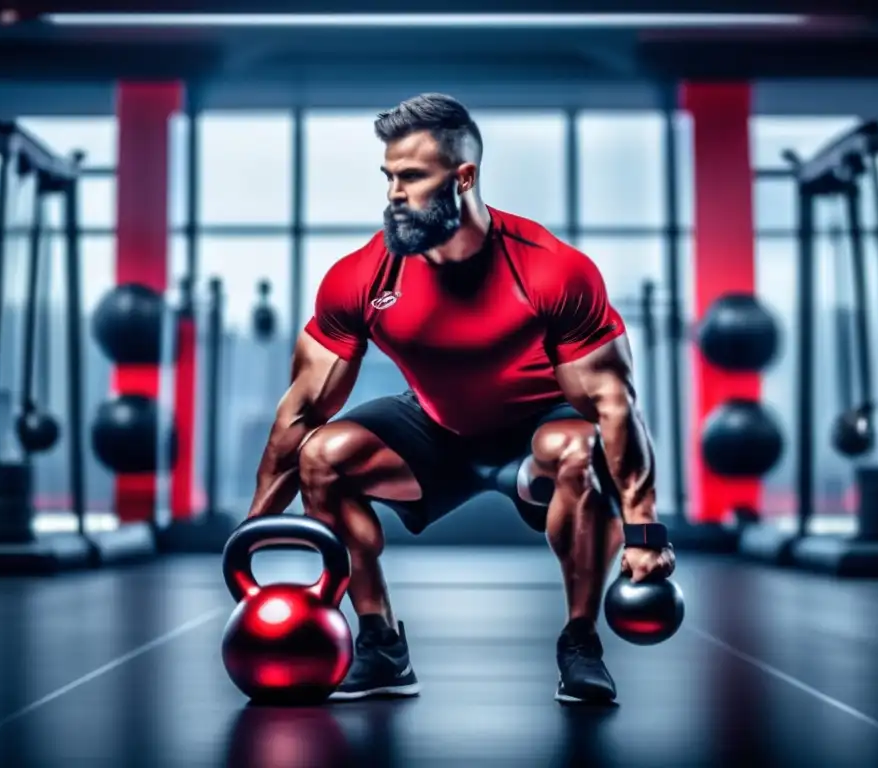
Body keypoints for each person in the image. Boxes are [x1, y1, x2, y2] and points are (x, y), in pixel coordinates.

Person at [244, 93, 674, 704]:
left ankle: (580, 643)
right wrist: (256, 524)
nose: (395, 191)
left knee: (581, 448)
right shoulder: (364, 275)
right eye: (390, 176)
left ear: (464, 177)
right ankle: (381, 644)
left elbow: (613, 405)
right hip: (436, 430)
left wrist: (645, 536)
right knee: (322, 454)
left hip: (536, 435)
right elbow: (303, 410)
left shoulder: (551, 270)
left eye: (413, 176)